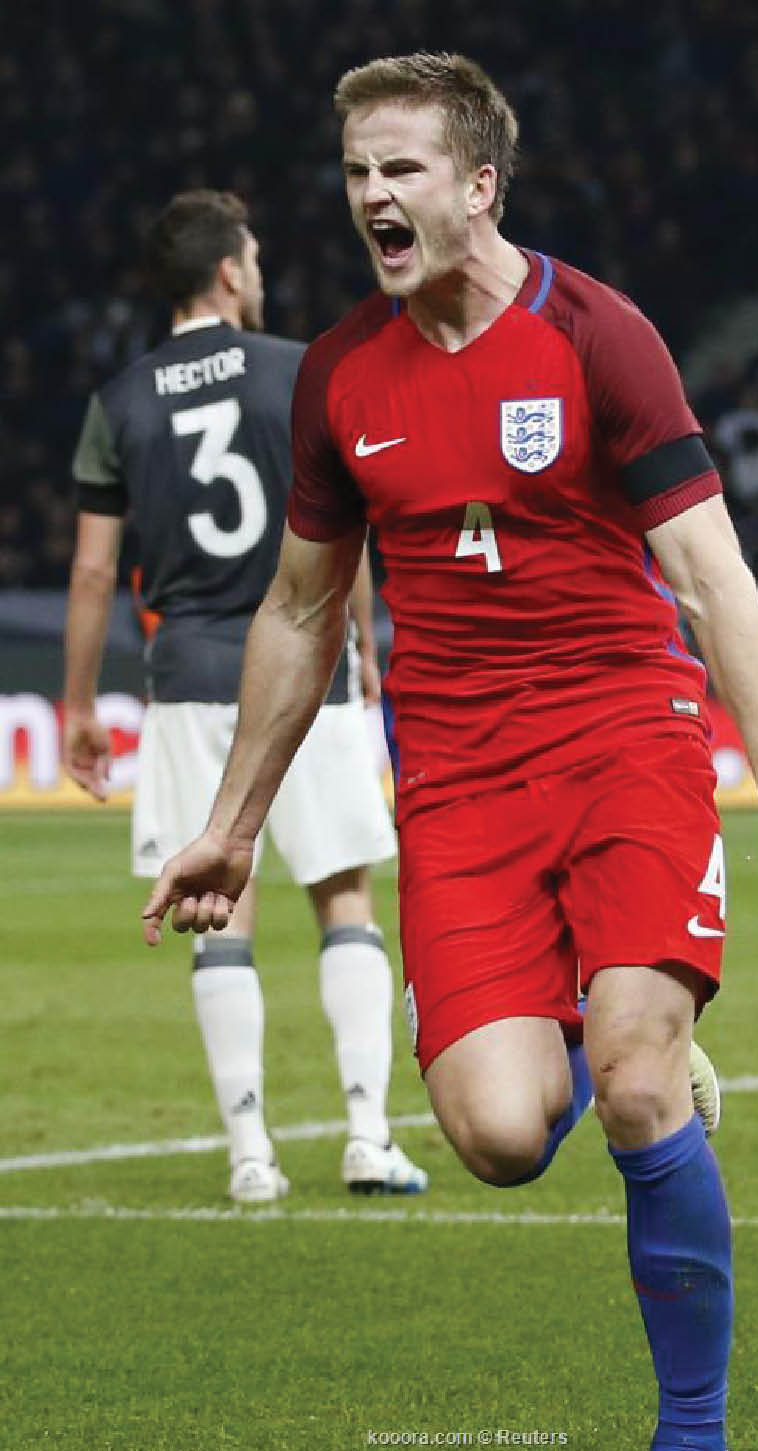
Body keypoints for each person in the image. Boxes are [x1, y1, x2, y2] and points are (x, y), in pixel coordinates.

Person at [139, 59, 758, 1451]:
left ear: (478, 185)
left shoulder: (598, 337)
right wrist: (232, 825)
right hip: (455, 781)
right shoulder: (339, 376)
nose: (371, 197)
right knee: (500, 1135)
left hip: (624, 736)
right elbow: (299, 610)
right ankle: (608, 1034)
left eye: (400, 168)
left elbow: (712, 580)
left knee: (637, 1083)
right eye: (355, 172)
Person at [64, 188, 427, 1203]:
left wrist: (81, 702)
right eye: (254, 261)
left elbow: (93, 572)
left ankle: (251, 1157)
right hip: (302, 671)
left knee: (218, 910)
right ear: (229, 271)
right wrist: (362, 642)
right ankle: (367, 1137)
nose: (259, 275)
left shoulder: (119, 402)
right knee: (345, 897)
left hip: (188, 677)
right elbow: (343, 524)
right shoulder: (302, 370)